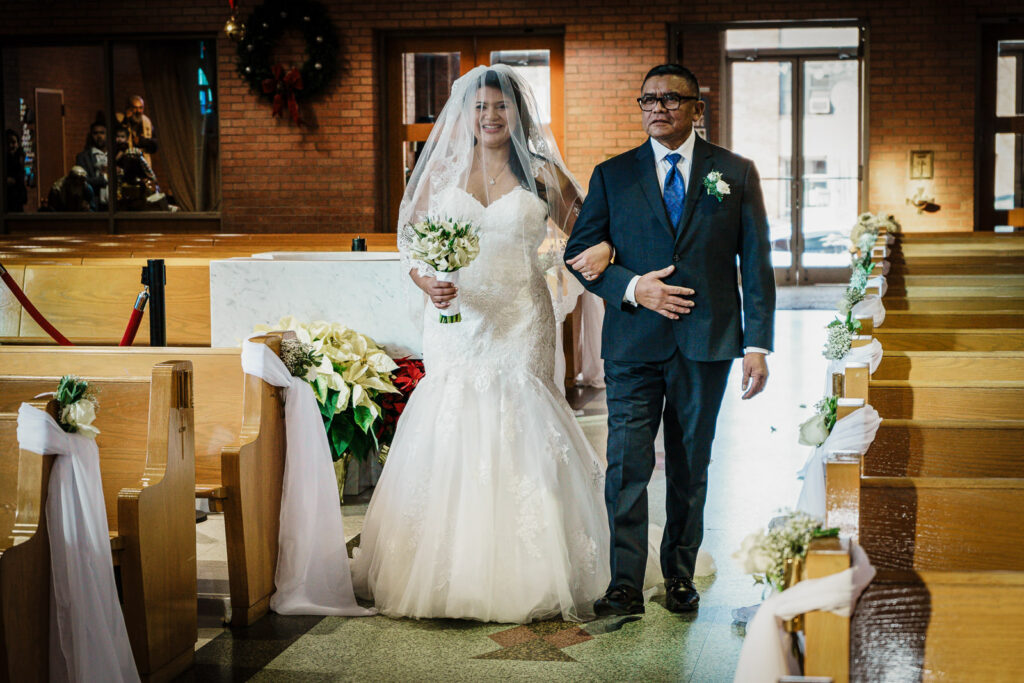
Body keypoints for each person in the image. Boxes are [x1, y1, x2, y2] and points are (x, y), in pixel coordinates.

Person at [351, 65, 614, 623]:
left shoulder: (542, 174)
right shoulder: (442, 170)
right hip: (457, 320)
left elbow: (589, 230)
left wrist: (604, 254)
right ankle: (447, 567)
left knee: (520, 416)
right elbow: (410, 245)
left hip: (521, 316)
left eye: (501, 106)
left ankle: (532, 569)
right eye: (480, 107)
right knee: (454, 415)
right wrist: (427, 282)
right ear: (464, 114)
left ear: (518, 112)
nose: (490, 116)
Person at [564, 64, 775, 616]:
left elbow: (756, 261)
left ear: (697, 109)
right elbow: (578, 254)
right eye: (648, 100)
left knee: (689, 464)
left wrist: (757, 345)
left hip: (707, 342)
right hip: (633, 342)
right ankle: (624, 583)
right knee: (626, 465)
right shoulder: (613, 175)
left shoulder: (735, 172)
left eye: (671, 99)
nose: (658, 108)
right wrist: (634, 286)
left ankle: (680, 573)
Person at [115, 95, 157, 166]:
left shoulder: (146, 121)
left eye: (141, 108)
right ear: (128, 108)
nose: (138, 111)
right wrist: (125, 120)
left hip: (143, 163)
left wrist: (143, 142)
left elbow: (155, 145)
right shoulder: (120, 119)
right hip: (124, 163)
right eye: (135, 108)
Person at [76, 121, 108, 210]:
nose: (99, 136)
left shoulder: (115, 156)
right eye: (95, 133)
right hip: (95, 204)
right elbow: (82, 181)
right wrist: (105, 178)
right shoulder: (83, 157)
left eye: (102, 133)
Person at [5, 129, 27, 213]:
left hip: (17, 202)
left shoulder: (19, 160)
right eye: (8, 143)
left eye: (13, 142)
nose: (11, 145)